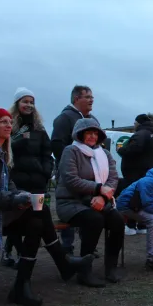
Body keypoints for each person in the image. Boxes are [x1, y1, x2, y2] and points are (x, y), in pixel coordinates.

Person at [0, 108, 94, 306]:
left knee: (37, 218)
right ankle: (63, 263)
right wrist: (14, 200)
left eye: (10, 121)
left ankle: (22, 286)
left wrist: (21, 196)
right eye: (3, 122)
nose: (9, 125)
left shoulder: (0, 152)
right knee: (39, 215)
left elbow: (8, 185)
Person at [55, 118, 124, 287]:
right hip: (71, 202)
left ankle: (111, 267)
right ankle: (84, 271)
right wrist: (98, 189)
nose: (92, 136)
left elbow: (113, 179)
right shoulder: (71, 151)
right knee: (94, 219)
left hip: (99, 201)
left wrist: (103, 197)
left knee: (117, 221)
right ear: (79, 134)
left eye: (95, 133)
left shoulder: (105, 154)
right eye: (88, 133)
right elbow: (71, 180)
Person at [1, 88, 55, 268]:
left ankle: (24, 254)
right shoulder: (9, 125)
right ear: (17, 104)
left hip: (38, 181)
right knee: (18, 215)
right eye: (25, 101)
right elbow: (5, 148)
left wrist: (46, 171)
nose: (29, 105)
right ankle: (14, 252)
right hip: (17, 181)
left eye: (32, 102)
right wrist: (18, 139)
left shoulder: (39, 129)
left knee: (38, 216)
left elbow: (47, 152)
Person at [51, 85, 97, 255]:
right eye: (88, 97)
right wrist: (69, 164)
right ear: (76, 98)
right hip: (70, 174)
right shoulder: (64, 118)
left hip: (91, 174)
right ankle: (67, 246)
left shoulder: (92, 119)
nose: (92, 100)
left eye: (92, 97)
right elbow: (56, 143)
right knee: (70, 204)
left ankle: (88, 244)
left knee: (89, 208)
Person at [117, 114, 153, 236]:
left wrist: (121, 150)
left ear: (139, 123)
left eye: (134, 123)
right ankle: (142, 226)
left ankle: (131, 226)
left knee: (132, 197)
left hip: (135, 172)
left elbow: (134, 148)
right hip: (146, 171)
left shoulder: (141, 134)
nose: (134, 125)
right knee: (143, 198)